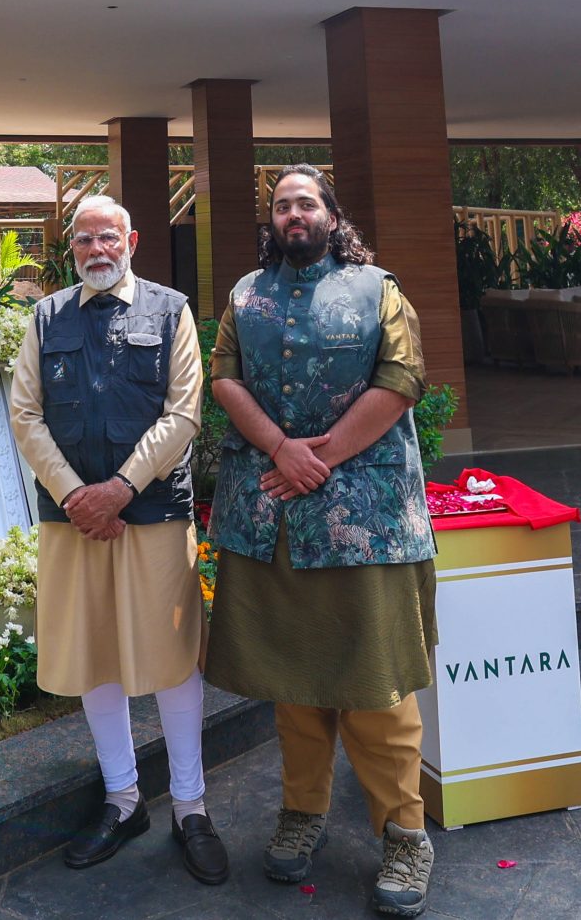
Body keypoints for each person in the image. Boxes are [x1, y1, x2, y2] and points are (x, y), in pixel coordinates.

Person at [205, 167, 438, 917]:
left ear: (332, 215)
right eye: (281, 205)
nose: (293, 213)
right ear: (271, 221)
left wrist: (321, 457)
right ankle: (303, 812)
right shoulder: (246, 294)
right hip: (272, 516)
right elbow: (224, 377)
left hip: (366, 522)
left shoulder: (378, 289)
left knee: (376, 686)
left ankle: (405, 835)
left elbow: (402, 379)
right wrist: (281, 448)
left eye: (306, 202)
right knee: (294, 683)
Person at [5, 194, 229, 885]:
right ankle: (123, 799)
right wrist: (77, 495)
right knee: (95, 653)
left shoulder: (171, 311)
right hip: (72, 520)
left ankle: (190, 806)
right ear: (70, 248)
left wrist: (121, 489)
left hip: (152, 513)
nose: (96, 250)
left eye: (108, 238)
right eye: (84, 240)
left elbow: (184, 413)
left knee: (173, 660)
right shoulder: (46, 317)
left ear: (131, 241)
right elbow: (24, 413)